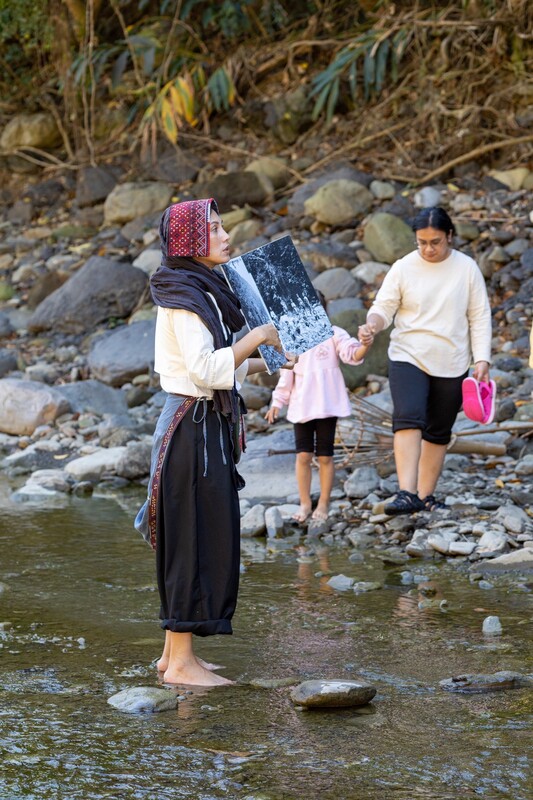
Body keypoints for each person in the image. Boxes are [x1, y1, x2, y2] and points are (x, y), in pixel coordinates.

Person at [134, 198, 295, 687]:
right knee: (191, 538)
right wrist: (259, 335)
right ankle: (182, 664)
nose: (226, 235)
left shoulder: (197, 287)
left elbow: (216, 365)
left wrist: (269, 359)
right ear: (190, 242)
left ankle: (172, 657)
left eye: (224, 226)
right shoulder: (184, 297)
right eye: (216, 228)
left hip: (200, 422)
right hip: (191, 426)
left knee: (194, 533)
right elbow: (204, 372)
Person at [358, 206, 492, 515]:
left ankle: (425, 495)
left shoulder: (467, 268)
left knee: (438, 430)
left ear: (449, 236)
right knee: (408, 416)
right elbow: (383, 307)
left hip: (453, 360)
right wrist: (372, 326)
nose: (428, 249)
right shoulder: (404, 267)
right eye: (422, 242)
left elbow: (480, 317)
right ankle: (406, 492)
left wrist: (482, 358)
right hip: (409, 354)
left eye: (435, 242)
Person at [265, 297, 374, 522]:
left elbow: (352, 354)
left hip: (327, 405)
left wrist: (365, 345)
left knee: (325, 456)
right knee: (303, 455)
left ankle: (323, 502)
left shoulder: (333, 333)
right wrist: (277, 402)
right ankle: (305, 502)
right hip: (302, 405)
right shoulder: (293, 338)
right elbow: (286, 375)